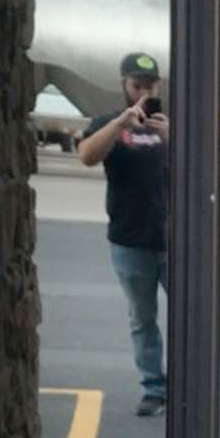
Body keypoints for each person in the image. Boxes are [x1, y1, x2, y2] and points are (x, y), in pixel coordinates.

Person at [77, 52, 170, 417]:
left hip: (175, 239)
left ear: (159, 86)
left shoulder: (172, 125)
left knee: (188, 317)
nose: (144, 93)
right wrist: (119, 125)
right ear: (124, 86)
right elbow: (86, 155)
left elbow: (205, 167)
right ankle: (154, 388)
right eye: (137, 86)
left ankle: (186, 387)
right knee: (142, 318)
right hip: (129, 240)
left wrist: (172, 136)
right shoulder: (108, 124)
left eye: (150, 86)